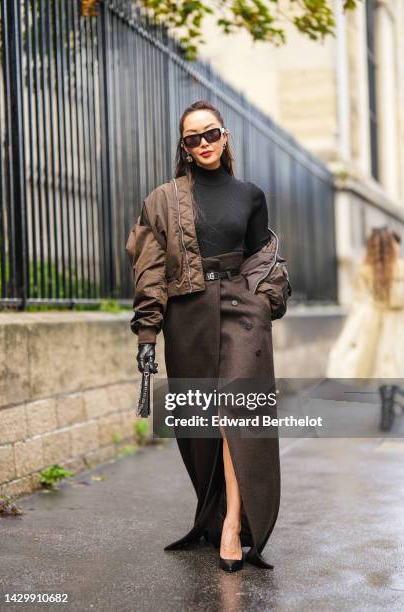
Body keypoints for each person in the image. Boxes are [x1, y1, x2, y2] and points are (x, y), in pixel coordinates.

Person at [126, 100, 291, 572]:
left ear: (225, 135)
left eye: (211, 133)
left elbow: (265, 255)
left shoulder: (251, 195)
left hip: (243, 313)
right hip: (188, 316)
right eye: (193, 138)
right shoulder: (163, 200)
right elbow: (150, 271)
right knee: (200, 426)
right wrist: (146, 335)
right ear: (183, 146)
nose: (204, 144)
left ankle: (232, 524)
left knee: (235, 414)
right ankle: (215, 510)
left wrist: (263, 301)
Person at [326, 226, 404, 382]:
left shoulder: (365, 269)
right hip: (398, 323)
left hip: (374, 324)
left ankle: (387, 400)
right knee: (394, 364)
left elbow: (358, 301)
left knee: (377, 366)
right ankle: (393, 397)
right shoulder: (401, 267)